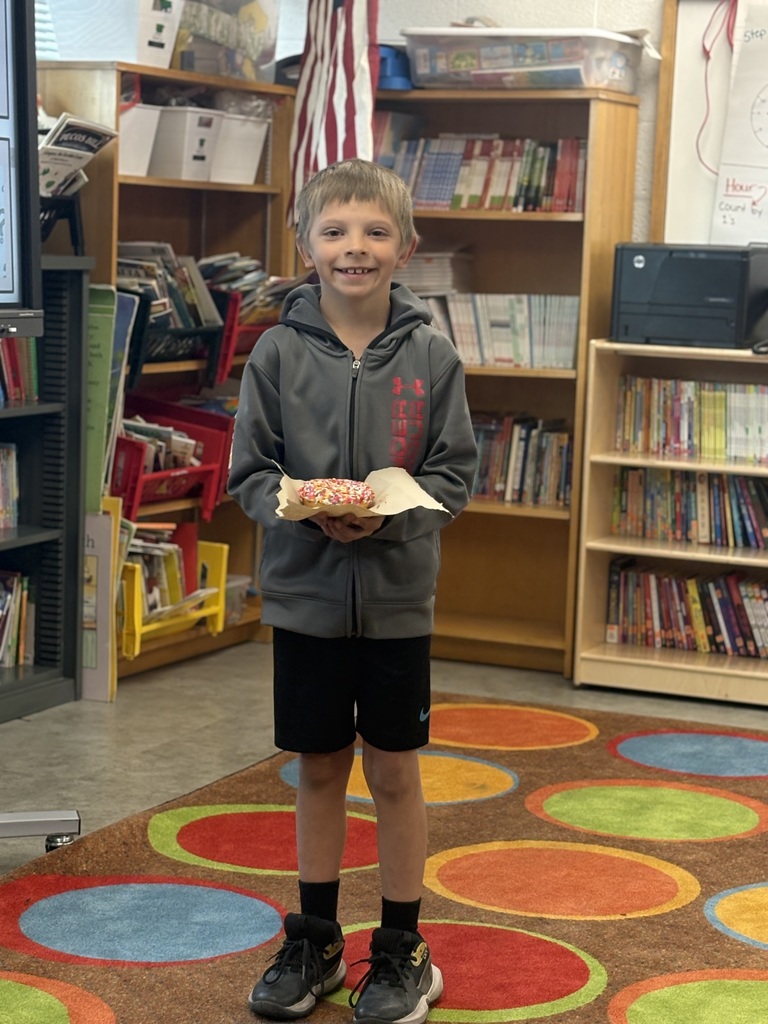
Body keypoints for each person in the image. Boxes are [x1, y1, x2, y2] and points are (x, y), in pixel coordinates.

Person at [228, 157, 477, 1024]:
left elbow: (452, 472)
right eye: (334, 231)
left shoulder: (433, 355)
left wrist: (391, 518)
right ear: (305, 245)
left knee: (396, 773)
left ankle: (404, 947)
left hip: (400, 601)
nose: (354, 248)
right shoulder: (276, 349)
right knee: (319, 769)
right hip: (304, 598)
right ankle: (317, 937)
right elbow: (250, 470)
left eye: (374, 231)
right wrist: (301, 510)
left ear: (404, 247)